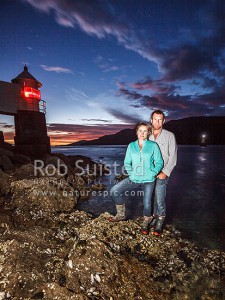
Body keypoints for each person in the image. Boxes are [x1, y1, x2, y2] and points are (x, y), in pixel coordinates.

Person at [109, 121, 163, 235]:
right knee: (114, 191)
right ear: (136, 132)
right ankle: (120, 215)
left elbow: (159, 162)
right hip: (134, 178)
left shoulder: (153, 146)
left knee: (147, 203)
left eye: (145, 131)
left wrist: (153, 172)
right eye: (140, 131)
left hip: (149, 180)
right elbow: (127, 162)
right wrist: (131, 173)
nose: (142, 133)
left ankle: (146, 222)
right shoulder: (131, 146)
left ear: (148, 133)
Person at [149, 110, 177, 236]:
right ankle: (154, 217)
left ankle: (160, 220)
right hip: (149, 173)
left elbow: (173, 156)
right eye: (155, 119)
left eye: (160, 119)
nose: (157, 121)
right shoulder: (147, 135)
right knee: (151, 197)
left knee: (160, 198)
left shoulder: (170, 135)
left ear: (164, 121)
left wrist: (165, 172)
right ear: (151, 120)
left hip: (162, 173)